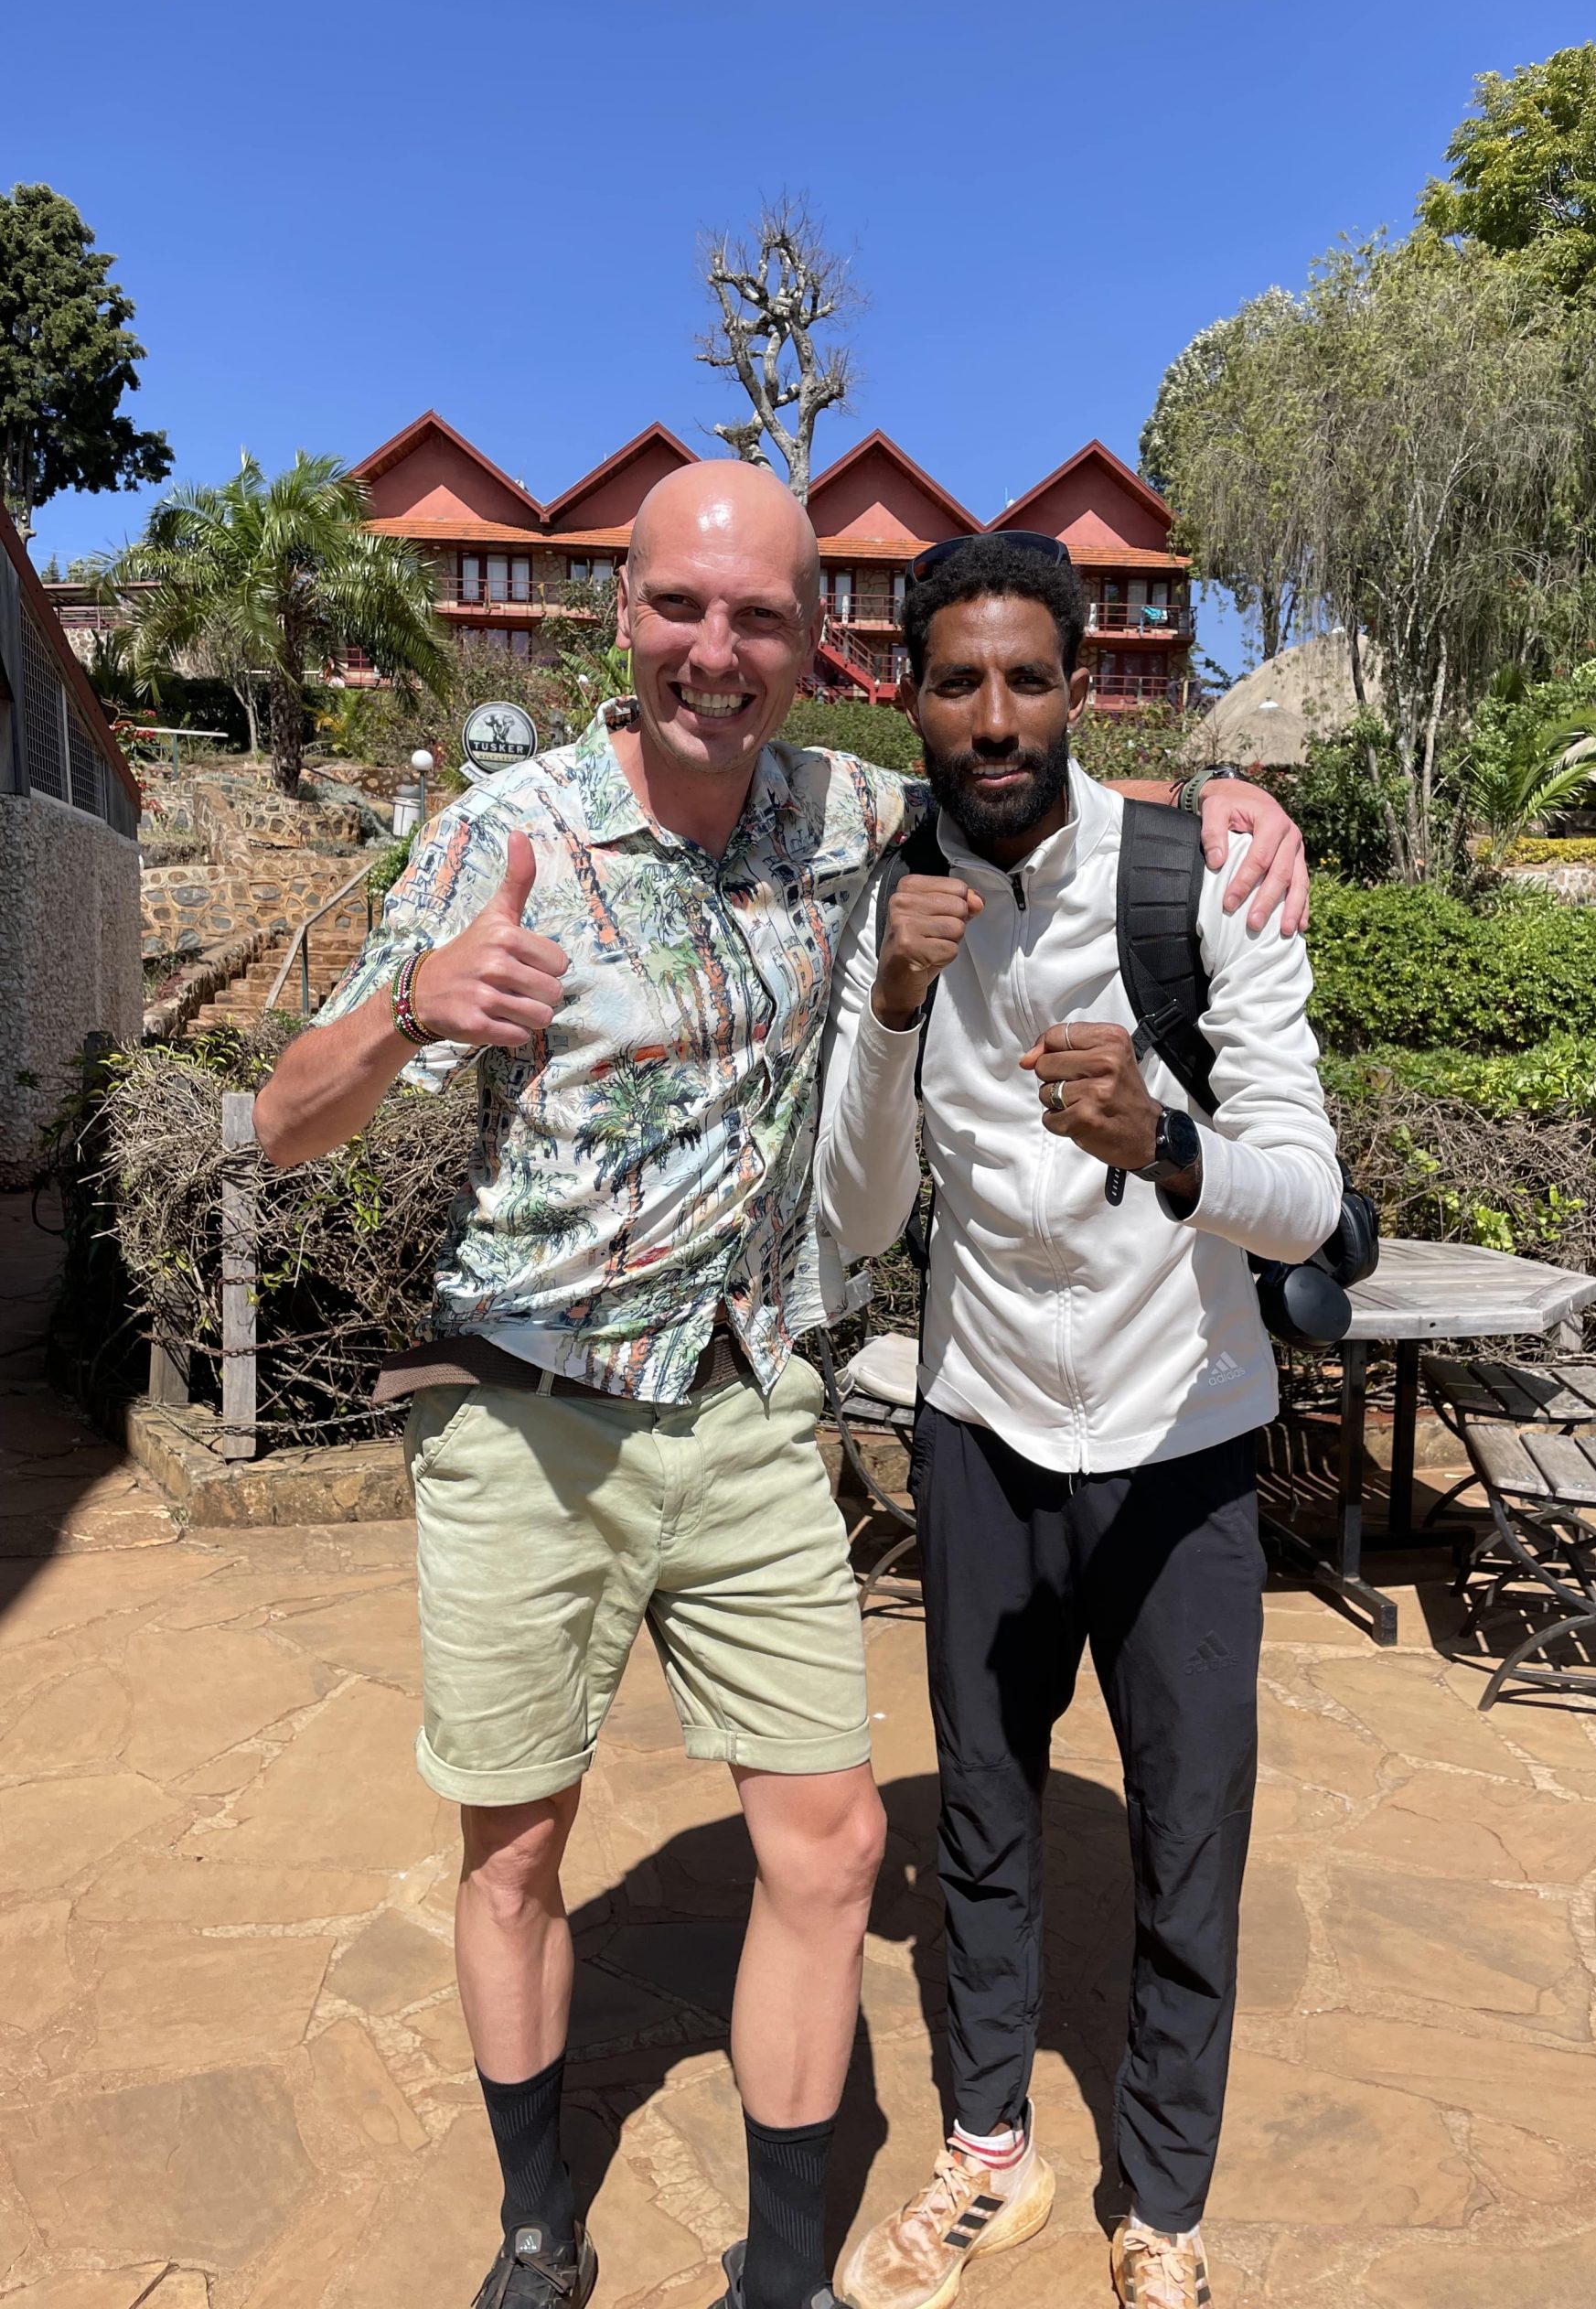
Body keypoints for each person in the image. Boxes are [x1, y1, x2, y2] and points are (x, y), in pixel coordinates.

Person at [252, 463, 1308, 2309]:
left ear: (818, 648)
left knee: (830, 1846)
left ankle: (785, 2270)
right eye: (681, 605)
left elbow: (1023, 778)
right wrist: (412, 1010)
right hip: (531, 1409)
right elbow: (280, 1124)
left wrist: (1227, 801)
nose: (715, 651)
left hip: (748, 1407)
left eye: (760, 618)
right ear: (622, 614)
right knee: (515, 1849)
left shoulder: (849, 812)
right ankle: (536, 2224)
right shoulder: (504, 832)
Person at [816, 536, 1342, 2309]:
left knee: (1190, 1832)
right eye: (957, 683)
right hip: (984, 1425)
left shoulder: (1197, 874)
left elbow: (1305, 1201)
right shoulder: (886, 896)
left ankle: (1164, 2198)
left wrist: (1166, 1144)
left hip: (1182, 1433)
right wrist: (891, 1006)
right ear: (910, 700)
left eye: (1027, 679)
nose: (994, 719)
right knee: (981, 1814)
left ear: (1080, 691)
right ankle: (990, 2150)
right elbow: (860, 1220)